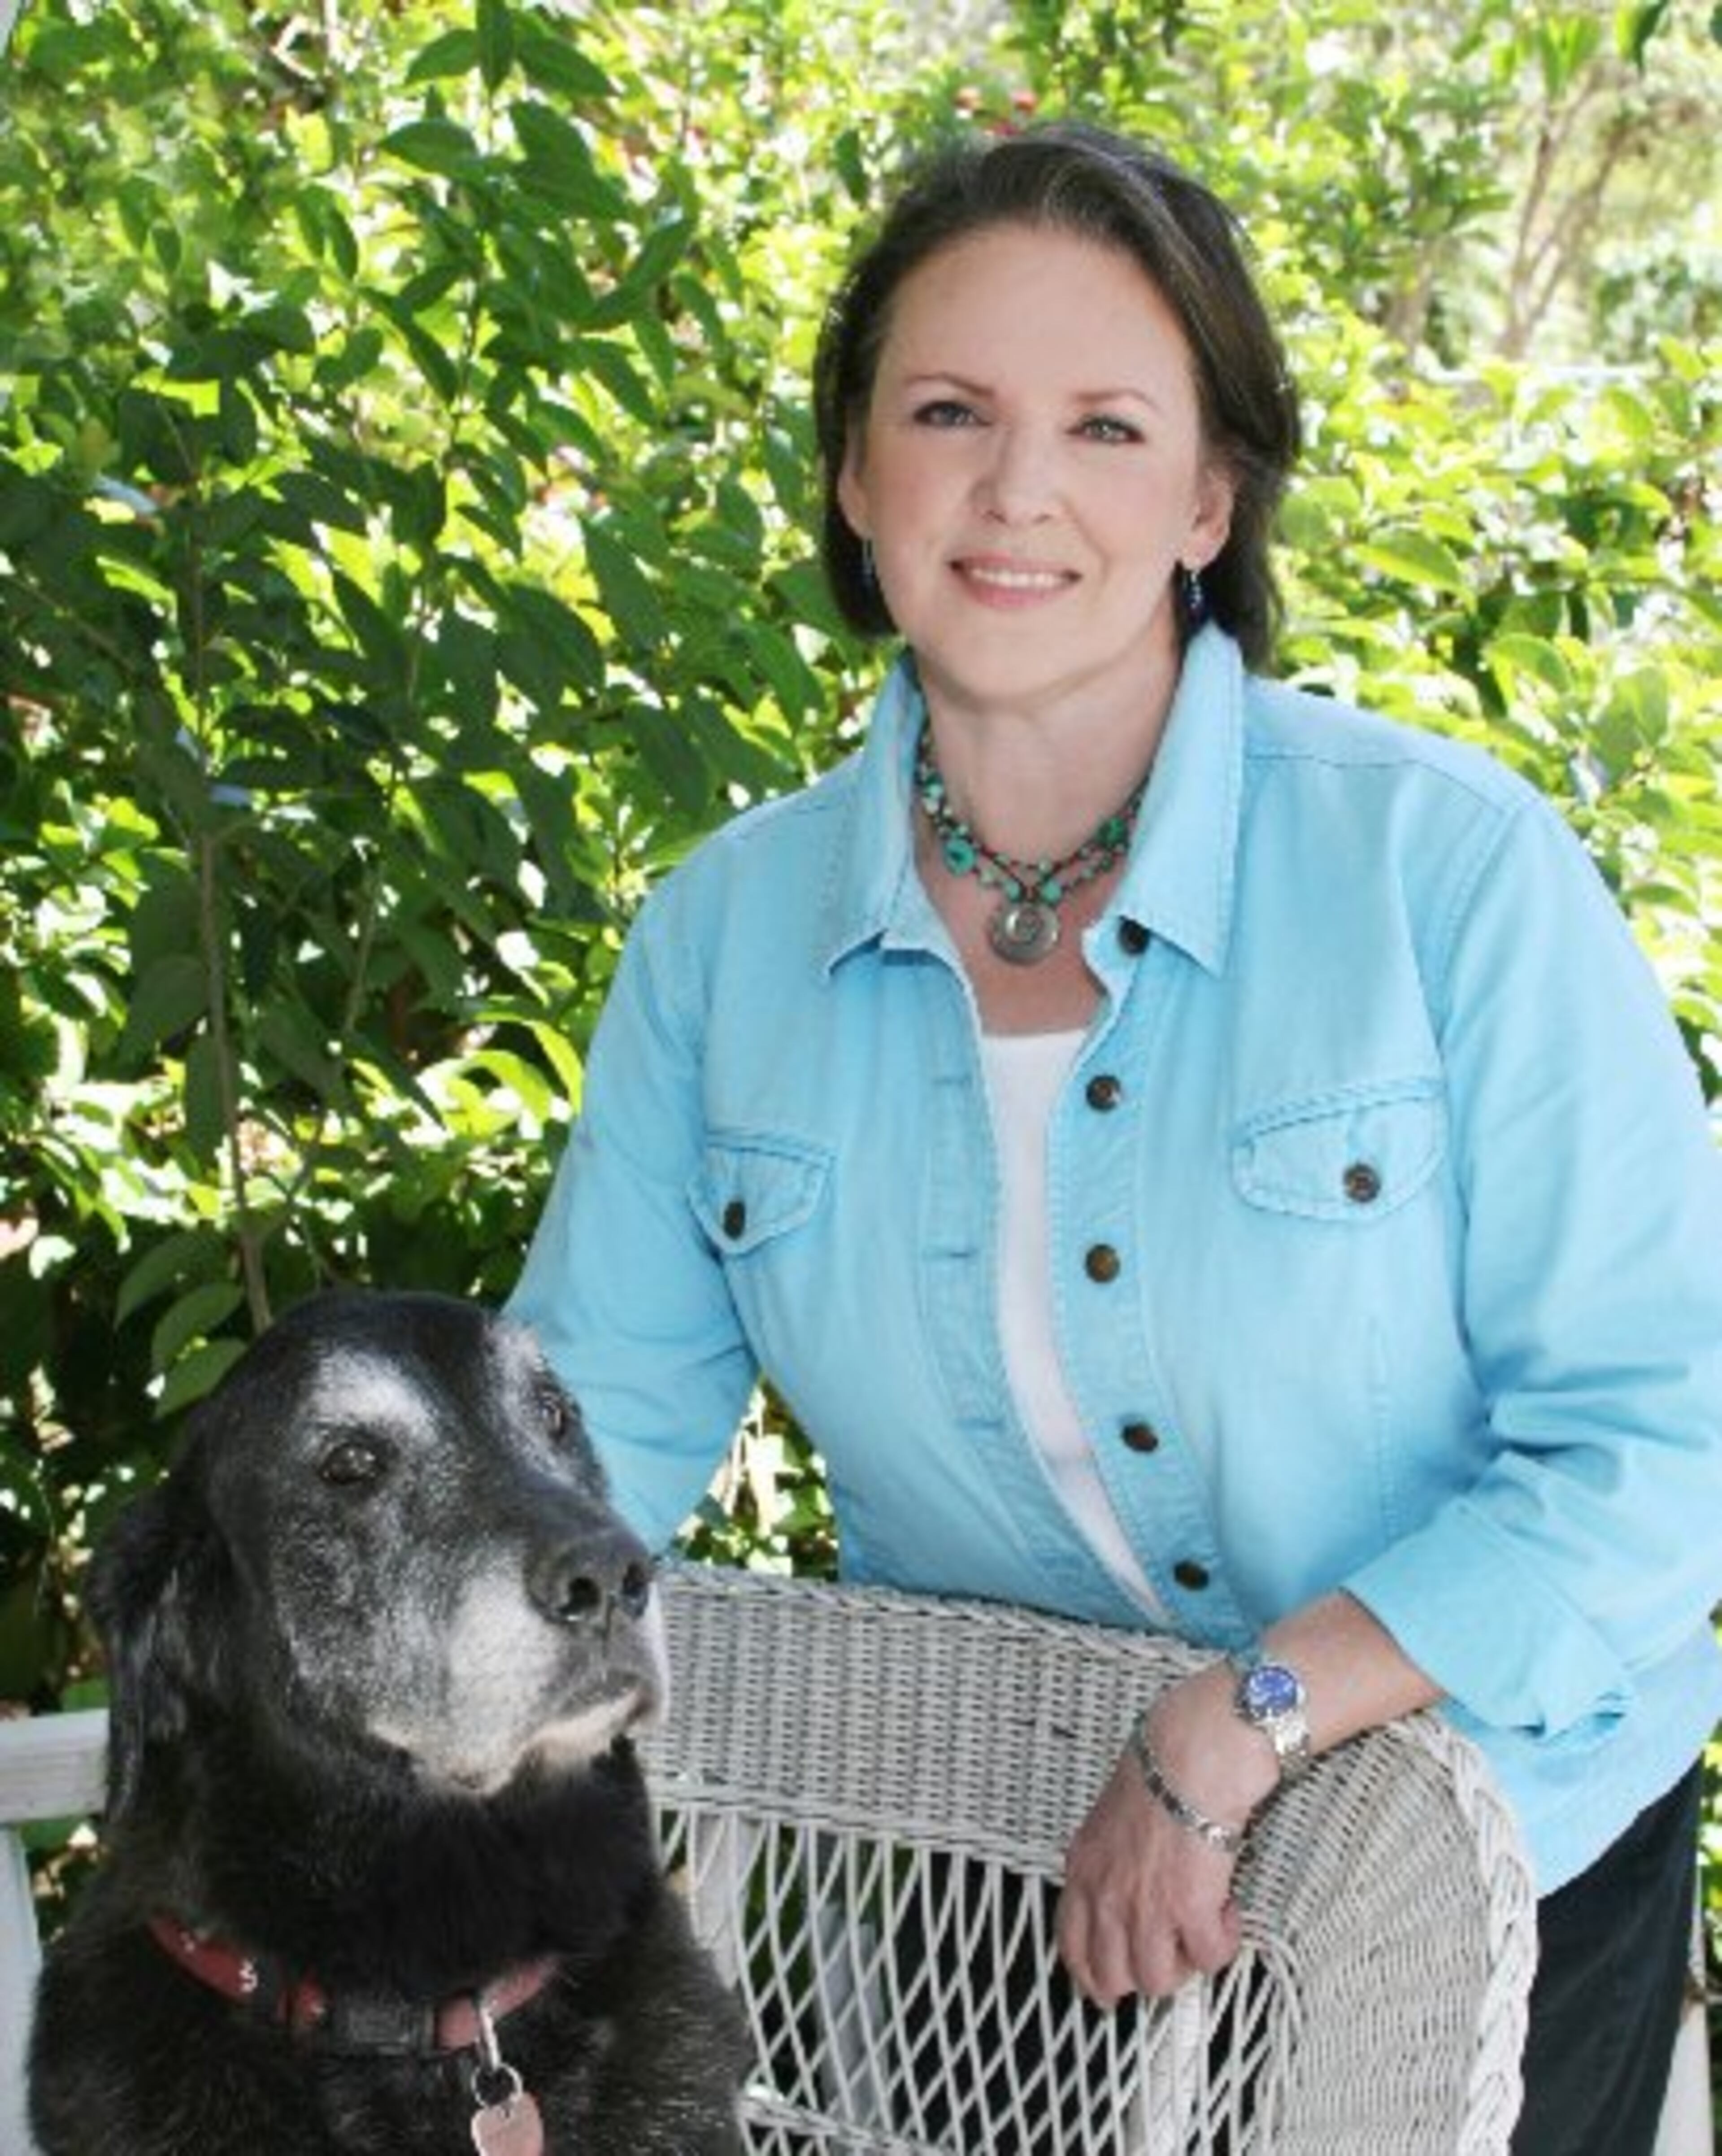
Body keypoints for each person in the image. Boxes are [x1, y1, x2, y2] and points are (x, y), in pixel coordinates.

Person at [508, 121, 1722, 2153]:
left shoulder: (1452, 875)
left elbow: (1669, 1443)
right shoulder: (722, 943)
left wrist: (1247, 1715)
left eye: (1103, 424)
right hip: (1028, 1874)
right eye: (951, 411)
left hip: (1480, 1842)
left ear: (1208, 494)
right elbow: (573, 1471)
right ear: (852, 470)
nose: (1016, 490)